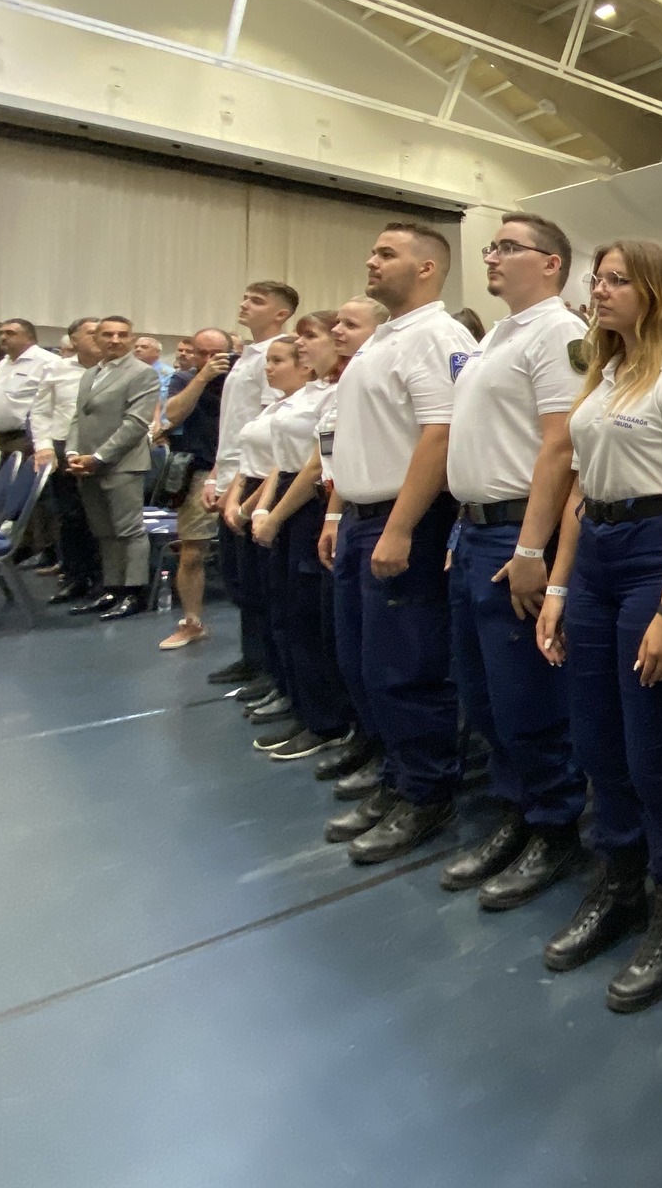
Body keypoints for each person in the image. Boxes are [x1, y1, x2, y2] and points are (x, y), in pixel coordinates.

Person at [536, 240, 662, 1012]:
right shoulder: (606, 375)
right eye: (598, 278)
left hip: (657, 557)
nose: (601, 290)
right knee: (595, 741)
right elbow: (582, 495)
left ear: (654, 292)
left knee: (655, 751)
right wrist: (556, 585)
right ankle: (617, 884)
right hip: (597, 559)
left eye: (618, 279)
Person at [436, 215, 594, 912]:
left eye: (508, 247)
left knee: (527, 697)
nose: (492, 257)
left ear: (552, 263)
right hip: (475, 532)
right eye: (490, 246)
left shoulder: (559, 332)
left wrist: (533, 548)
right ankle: (514, 813)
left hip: (513, 534)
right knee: (484, 693)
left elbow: (558, 447)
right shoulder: (495, 336)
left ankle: (553, 827)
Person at [319, 225, 478, 863]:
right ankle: (396, 775)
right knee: (365, 660)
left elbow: (439, 436)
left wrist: (402, 526)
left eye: (386, 253)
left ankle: (426, 792)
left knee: (406, 666)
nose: (371, 258)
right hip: (364, 515)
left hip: (402, 516)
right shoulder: (386, 336)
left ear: (427, 267)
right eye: (374, 248)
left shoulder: (439, 337)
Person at [245, 314, 352, 761]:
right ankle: (301, 703)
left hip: (314, 504)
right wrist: (264, 506)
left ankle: (325, 718)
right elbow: (282, 461)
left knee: (311, 617)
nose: (301, 344)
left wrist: (277, 513)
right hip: (292, 495)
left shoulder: (336, 392)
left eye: (310, 336)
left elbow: (316, 466)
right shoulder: (311, 395)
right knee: (287, 610)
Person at [313, 297, 391, 794]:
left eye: (349, 323)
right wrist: (336, 514)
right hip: (354, 511)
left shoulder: (388, 365)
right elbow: (343, 456)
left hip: (390, 513)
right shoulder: (350, 379)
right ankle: (375, 744)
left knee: (391, 659)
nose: (337, 330)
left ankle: (408, 773)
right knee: (355, 649)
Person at [204, 282, 298, 689]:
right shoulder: (244, 356)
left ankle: (267, 667)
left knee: (260, 583)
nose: (244, 305)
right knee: (239, 579)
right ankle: (252, 656)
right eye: (245, 297)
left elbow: (269, 431)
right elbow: (236, 427)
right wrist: (216, 475)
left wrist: (240, 490)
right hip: (232, 473)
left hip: (256, 478)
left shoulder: (274, 357)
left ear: (281, 313)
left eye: (257, 301)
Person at [224, 337, 310, 738]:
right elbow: (255, 461)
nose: (269, 368)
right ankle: (280, 681)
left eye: (278, 361)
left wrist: (258, 508)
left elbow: (294, 467)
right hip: (263, 499)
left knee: (293, 610)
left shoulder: (312, 403)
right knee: (266, 600)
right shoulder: (278, 407)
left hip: (285, 501)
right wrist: (243, 502)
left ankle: (300, 696)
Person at [63, 316, 163, 621]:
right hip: (88, 464)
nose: (115, 340)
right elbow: (78, 419)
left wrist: (100, 457)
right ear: (97, 339)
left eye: (122, 335)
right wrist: (72, 452)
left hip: (122, 464)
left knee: (128, 530)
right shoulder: (90, 374)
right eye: (108, 334)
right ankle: (112, 588)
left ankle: (134, 593)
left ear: (132, 339)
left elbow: (135, 423)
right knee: (104, 531)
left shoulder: (142, 374)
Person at [156, 328, 234, 652]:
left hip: (241, 470)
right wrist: (201, 378)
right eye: (201, 352)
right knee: (191, 552)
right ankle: (191, 622)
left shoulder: (243, 376)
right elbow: (171, 415)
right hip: (200, 470)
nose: (208, 359)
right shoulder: (185, 379)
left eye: (217, 354)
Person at [33, 321, 105, 602]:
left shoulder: (121, 370)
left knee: (100, 520)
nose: (99, 337)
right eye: (91, 332)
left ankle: (104, 581)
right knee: (70, 518)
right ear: (73, 340)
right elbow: (40, 411)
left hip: (103, 451)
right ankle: (76, 577)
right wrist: (43, 446)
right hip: (64, 448)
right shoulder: (56, 369)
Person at [0, 320, 57, 457]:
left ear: (30, 337)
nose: (3, 337)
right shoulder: (4, 363)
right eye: (1, 333)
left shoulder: (49, 362)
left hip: (26, 439)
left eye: (10, 333)